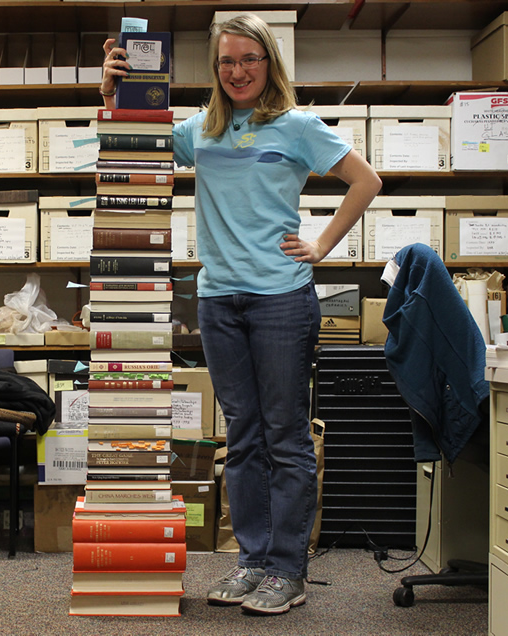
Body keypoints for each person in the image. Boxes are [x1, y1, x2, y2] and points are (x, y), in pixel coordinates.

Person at [101, 13, 382, 615]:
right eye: (227, 61)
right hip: (219, 298)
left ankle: (287, 570)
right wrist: (113, 89)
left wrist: (324, 245)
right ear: (215, 66)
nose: (237, 71)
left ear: (269, 62)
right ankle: (251, 560)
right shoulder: (201, 130)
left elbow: (365, 179)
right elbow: (129, 138)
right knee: (245, 435)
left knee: (286, 435)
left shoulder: (298, 125)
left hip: (282, 297)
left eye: (249, 59)